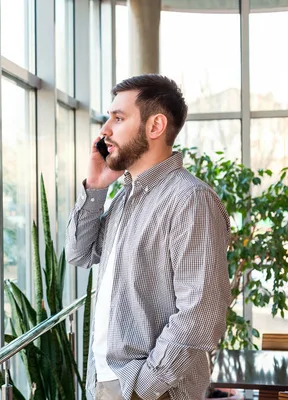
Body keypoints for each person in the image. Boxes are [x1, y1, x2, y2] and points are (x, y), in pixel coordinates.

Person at [66, 74, 231, 400]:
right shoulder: (125, 197)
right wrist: (97, 187)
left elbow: (201, 315)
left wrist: (144, 389)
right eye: (108, 117)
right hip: (107, 381)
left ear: (155, 126)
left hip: (151, 390)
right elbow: (79, 253)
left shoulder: (190, 200)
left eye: (118, 118)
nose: (105, 131)